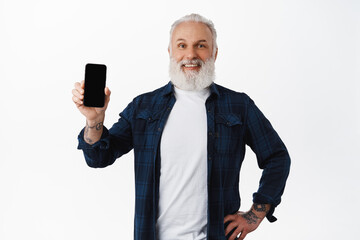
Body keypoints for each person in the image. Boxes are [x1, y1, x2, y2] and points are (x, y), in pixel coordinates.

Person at [72, 13, 290, 240]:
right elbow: (98, 157)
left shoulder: (238, 106)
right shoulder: (143, 107)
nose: (191, 55)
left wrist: (255, 214)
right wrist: (94, 120)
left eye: (201, 45)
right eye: (182, 45)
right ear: (170, 52)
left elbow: (277, 157)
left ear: (215, 53)